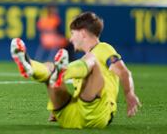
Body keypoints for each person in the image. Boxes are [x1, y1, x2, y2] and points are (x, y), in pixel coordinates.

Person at [10, 11, 141, 129]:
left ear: (83, 33)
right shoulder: (81, 64)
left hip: (96, 113)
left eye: (72, 33)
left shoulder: (104, 48)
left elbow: (123, 71)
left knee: (86, 61)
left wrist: (129, 93)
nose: (71, 38)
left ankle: (49, 71)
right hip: (77, 114)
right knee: (54, 66)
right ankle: (30, 65)